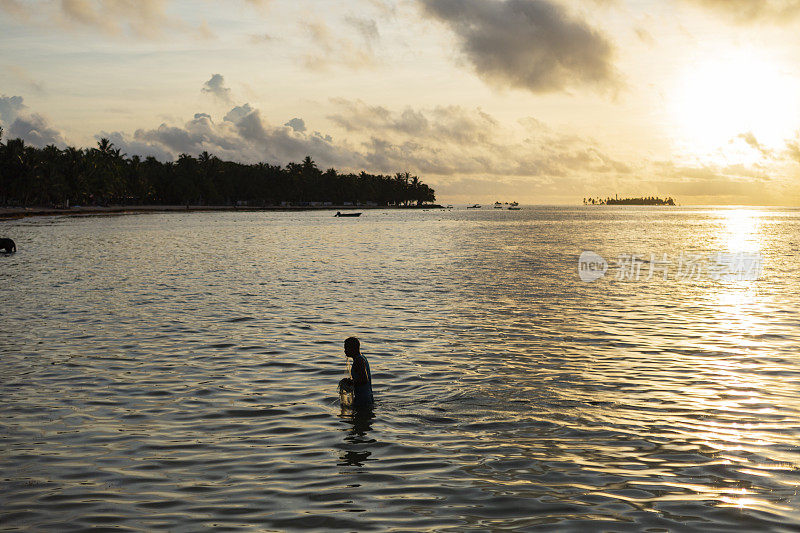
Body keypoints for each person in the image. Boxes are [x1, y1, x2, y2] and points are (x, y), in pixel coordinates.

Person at [339, 337, 373, 406]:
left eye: (346, 348)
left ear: (353, 348)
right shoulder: (361, 358)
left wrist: (350, 383)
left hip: (363, 400)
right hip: (365, 397)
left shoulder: (359, 361)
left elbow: (364, 380)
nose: (345, 351)